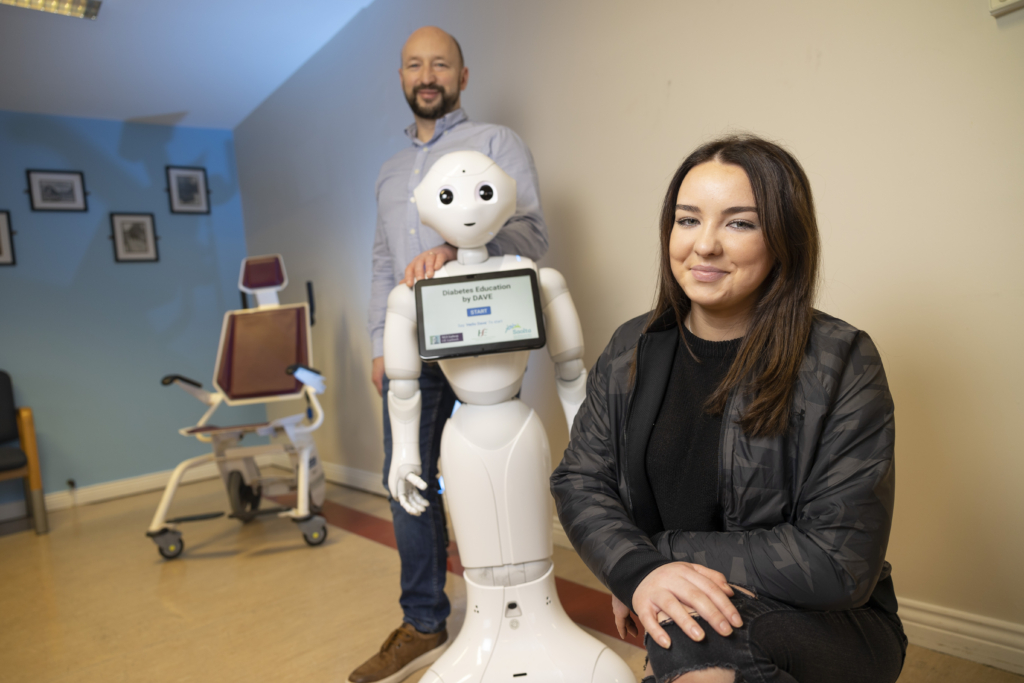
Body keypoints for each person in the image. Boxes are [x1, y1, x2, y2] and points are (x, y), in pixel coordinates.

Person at [550, 135, 907, 683]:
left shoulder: (842, 360)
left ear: (784, 239)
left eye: (739, 223)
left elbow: (840, 562)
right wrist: (640, 574)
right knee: (690, 627)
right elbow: (580, 481)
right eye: (688, 220)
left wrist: (659, 559)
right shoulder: (632, 349)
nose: (705, 245)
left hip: (832, 629)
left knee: (694, 630)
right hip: (692, 615)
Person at [353, 26, 548, 683]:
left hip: (480, 337)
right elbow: (384, 262)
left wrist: (465, 248)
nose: (427, 74)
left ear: (463, 76)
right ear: (402, 78)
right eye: (414, 64)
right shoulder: (386, 173)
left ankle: (519, 605)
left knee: (493, 465)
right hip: (411, 345)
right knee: (406, 479)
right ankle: (424, 621)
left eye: (441, 63)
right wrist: (382, 342)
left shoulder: (496, 144)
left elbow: (532, 234)